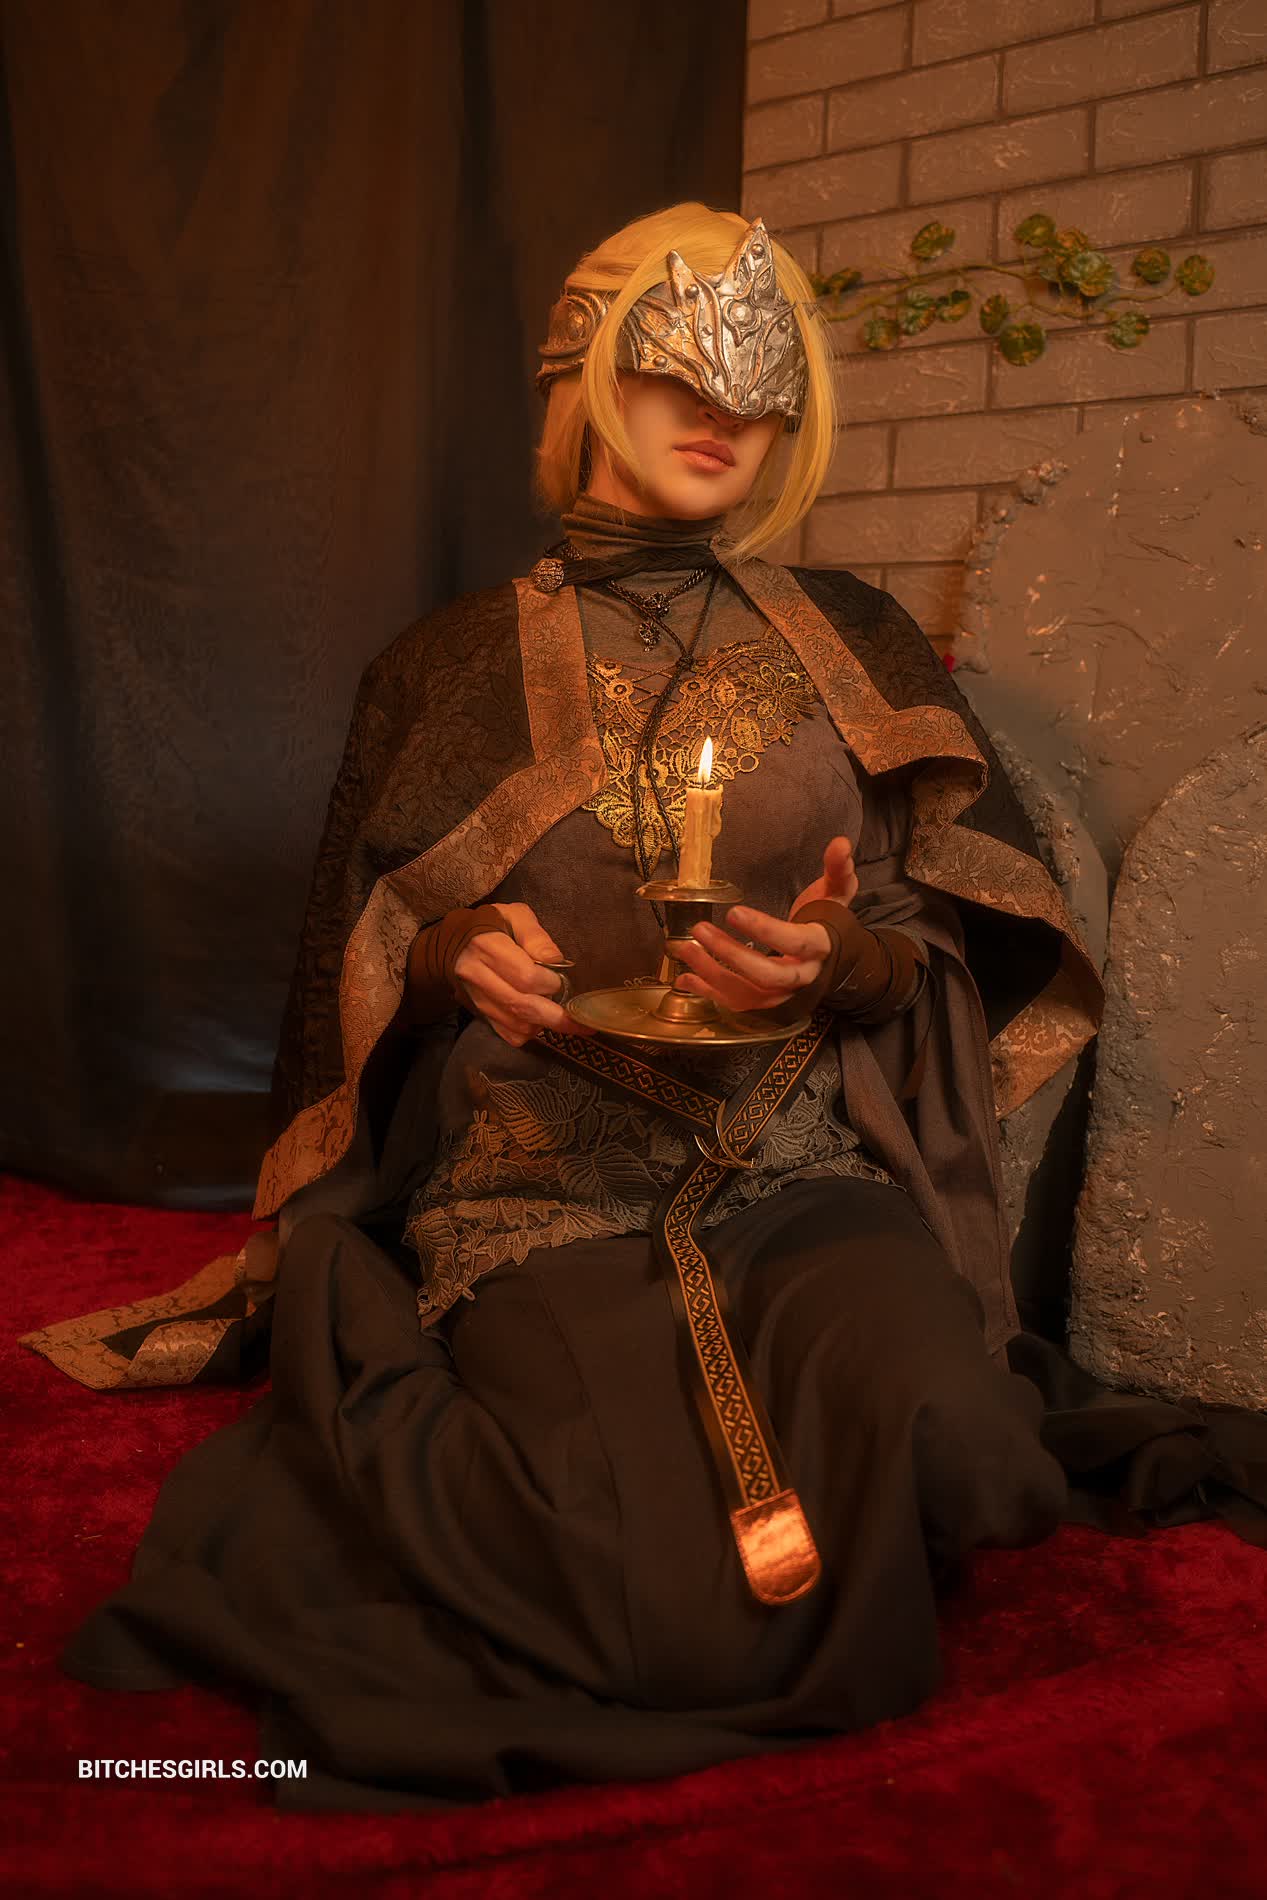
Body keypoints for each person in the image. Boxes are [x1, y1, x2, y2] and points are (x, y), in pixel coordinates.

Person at [20, 204, 1266, 1813]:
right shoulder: (446, 665)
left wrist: (841, 961)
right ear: (588, 380)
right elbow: (357, 972)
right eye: (679, 372)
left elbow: (936, 946)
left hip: (796, 1168)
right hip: (542, 1183)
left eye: (761, 388)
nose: (723, 414)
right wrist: (451, 953)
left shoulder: (858, 640)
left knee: (970, 1451)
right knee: (658, 1593)